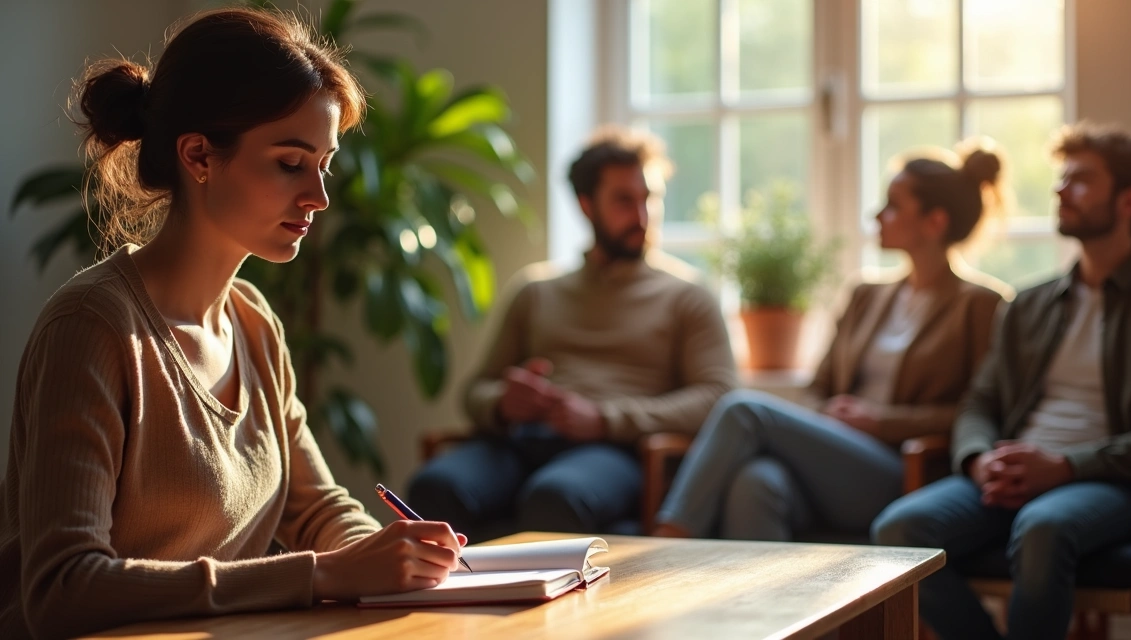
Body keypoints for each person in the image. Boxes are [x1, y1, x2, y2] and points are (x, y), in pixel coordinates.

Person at [0, 9, 468, 639]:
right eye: (289, 162)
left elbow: (317, 508)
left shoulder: (251, 320)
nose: (319, 196)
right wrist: (324, 576)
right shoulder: (90, 329)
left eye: (324, 163)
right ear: (198, 156)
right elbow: (62, 589)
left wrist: (397, 560)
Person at [872, 123, 1131, 640]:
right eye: (1061, 178)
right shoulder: (1028, 304)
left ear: (1129, 200)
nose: (1059, 189)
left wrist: (1065, 467)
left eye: (1080, 180)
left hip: (1112, 482)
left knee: (1044, 527)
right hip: (1012, 471)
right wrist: (979, 458)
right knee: (897, 530)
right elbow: (979, 401)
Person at [651, 141, 1009, 542]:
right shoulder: (865, 295)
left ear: (934, 222)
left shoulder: (981, 305)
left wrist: (881, 422)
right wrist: (830, 413)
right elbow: (816, 389)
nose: (877, 215)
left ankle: (668, 543)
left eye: (892, 205)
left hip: (903, 469)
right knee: (756, 482)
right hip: (833, 459)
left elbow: (979, 411)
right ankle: (762, 606)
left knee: (743, 409)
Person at [408, 127, 738, 541]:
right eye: (623, 201)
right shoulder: (535, 291)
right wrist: (504, 403)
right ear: (586, 205)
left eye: (648, 198)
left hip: (613, 452)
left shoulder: (686, 296)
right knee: (434, 488)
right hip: (519, 442)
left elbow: (718, 396)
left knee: (554, 497)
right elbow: (474, 391)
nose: (641, 216)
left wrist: (604, 420)